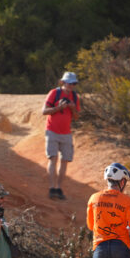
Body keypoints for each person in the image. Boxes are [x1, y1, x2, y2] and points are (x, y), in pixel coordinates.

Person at [41, 71, 80, 200]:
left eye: (73, 83)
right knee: (53, 158)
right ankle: (52, 187)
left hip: (66, 133)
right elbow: (44, 111)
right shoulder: (54, 93)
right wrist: (59, 107)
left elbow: (76, 117)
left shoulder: (75, 97)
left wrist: (73, 108)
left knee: (65, 161)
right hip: (52, 130)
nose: (71, 86)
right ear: (63, 82)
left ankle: (59, 188)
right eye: (69, 83)